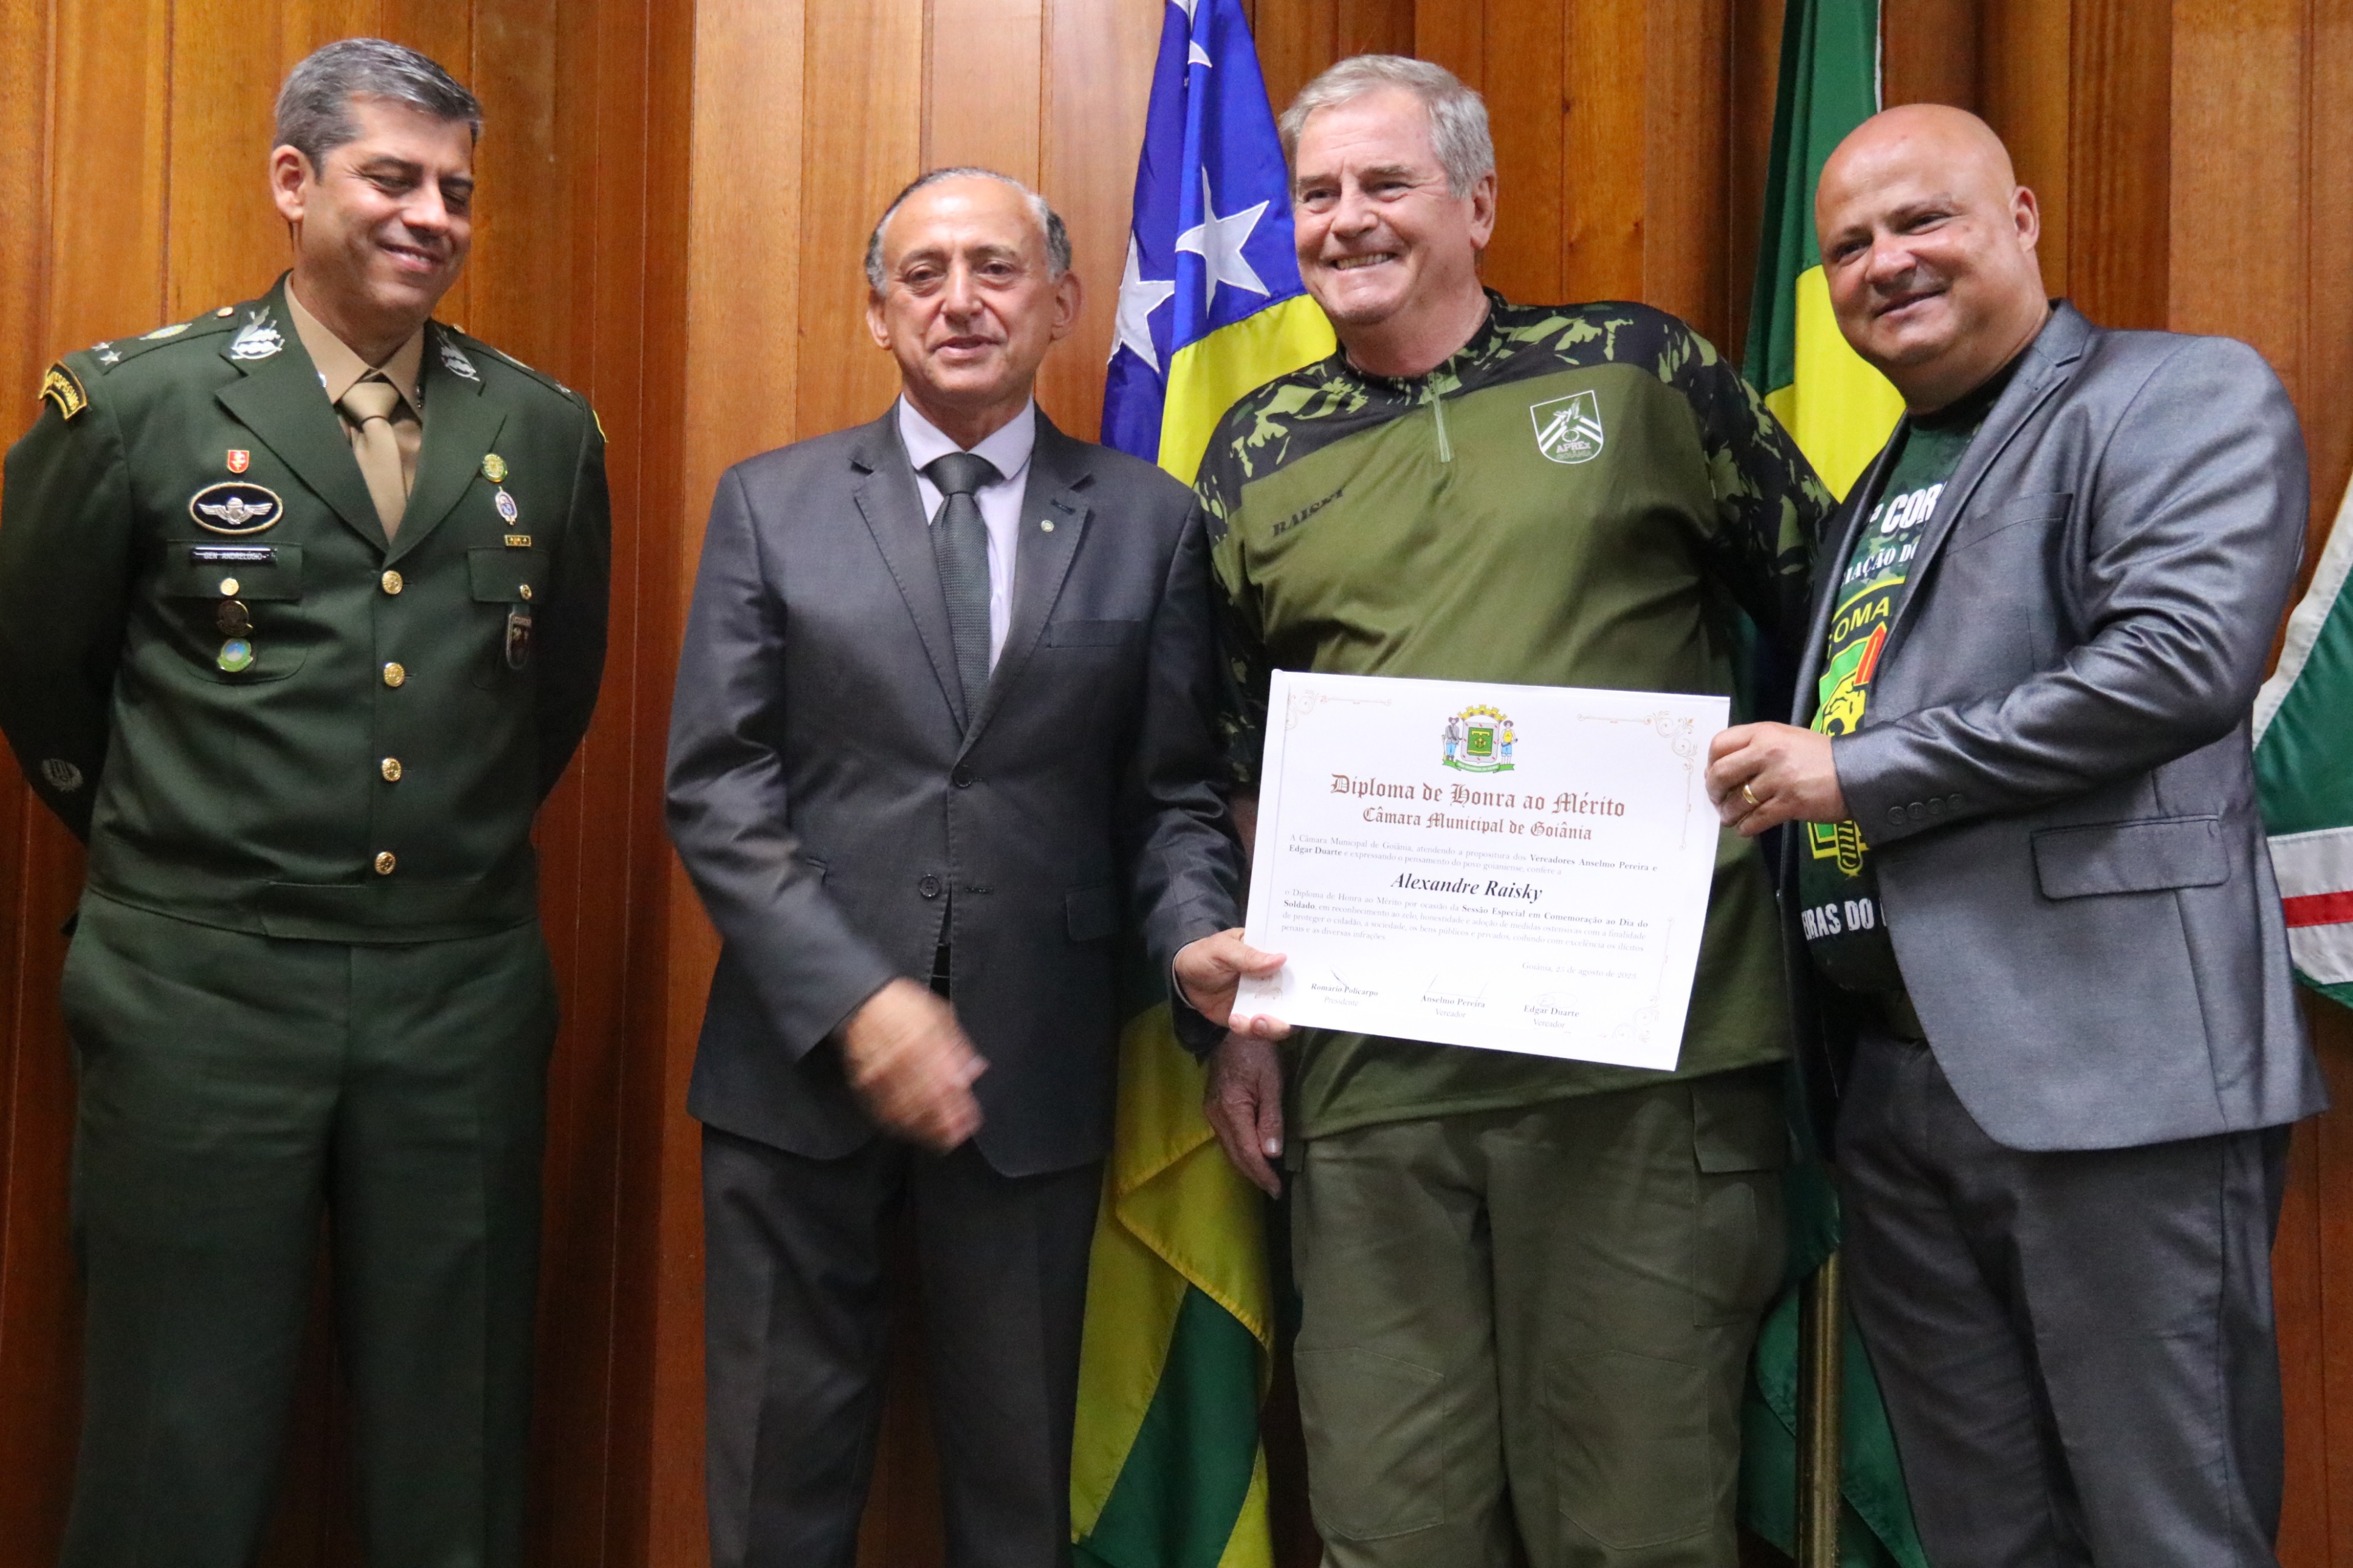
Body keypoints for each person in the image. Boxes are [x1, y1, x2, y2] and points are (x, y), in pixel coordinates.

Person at [1189, 56, 1833, 1568]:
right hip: (1372, 1093)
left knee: (1638, 1531)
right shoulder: (1255, 449)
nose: (1346, 218)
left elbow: (1838, 617)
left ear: (1477, 203)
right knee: (1389, 1530)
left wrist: (1800, 771)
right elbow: (1233, 763)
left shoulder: (1635, 372)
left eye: (1386, 182)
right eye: (1317, 193)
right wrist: (1245, 1024)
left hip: (1641, 1078)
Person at [0, 38, 610, 1568]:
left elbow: (548, 699)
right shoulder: (134, 403)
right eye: (392, 177)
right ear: (293, 179)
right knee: (175, 1435)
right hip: (198, 986)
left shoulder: (542, 429)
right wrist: (194, 848)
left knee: (454, 1440)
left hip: (457, 993)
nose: (431, 217)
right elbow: (42, 674)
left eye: (455, 190)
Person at [1705, 104, 2324, 1568]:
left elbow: (2177, 663)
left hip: (2110, 1078)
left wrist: (1854, 772)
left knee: (2168, 1532)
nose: (1884, 262)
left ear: (2024, 217)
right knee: (1984, 1538)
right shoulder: (1878, 482)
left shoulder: (2175, 393)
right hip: (1893, 1087)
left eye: (1923, 220)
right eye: (1849, 246)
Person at [665, 167, 1251, 1568]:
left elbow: (1170, 797)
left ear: (1060, 302)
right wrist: (860, 1000)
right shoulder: (772, 504)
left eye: (995, 269)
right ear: (878, 313)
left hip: (1031, 1069)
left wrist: (1189, 939)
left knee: (1014, 1496)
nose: (959, 301)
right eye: (922, 275)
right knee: (775, 1493)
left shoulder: (1152, 521)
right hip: (793, 1074)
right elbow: (717, 787)